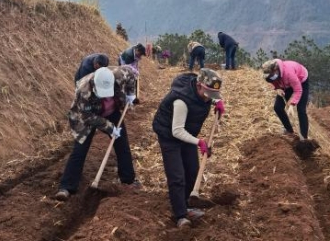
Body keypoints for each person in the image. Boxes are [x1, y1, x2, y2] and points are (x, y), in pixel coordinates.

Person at [152, 68, 225, 228]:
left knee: (192, 171)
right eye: (209, 94)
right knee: (177, 176)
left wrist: (217, 101)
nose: (210, 98)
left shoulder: (204, 93)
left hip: (188, 132)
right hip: (169, 135)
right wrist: (199, 142)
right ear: (199, 86)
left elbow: (209, 95)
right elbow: (177, 131)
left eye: (214, 94)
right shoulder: (181, 101)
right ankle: (180, 215)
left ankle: (187, 204)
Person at [55, 66, 141, 201]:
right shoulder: (83, 90)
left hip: (111, 111)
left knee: (122, 144)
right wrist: (110, 127)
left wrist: (130, 94)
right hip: (87, 116)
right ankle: (67, 187)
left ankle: (128, 179)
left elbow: (131, 77)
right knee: (80, 149)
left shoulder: (120, 74)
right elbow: (87, 116)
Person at [262, 59, 310, 140]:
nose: (270, 77)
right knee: (277, 107)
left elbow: (298, 90)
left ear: (276, 70)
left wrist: (292, 104)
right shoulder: (271, 77)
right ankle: (289, 130)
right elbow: (273, 81)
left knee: (301, 110)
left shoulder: (289, 73)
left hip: (301, 82)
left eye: (271, 75)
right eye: (269, 76)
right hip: (285, 84)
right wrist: (277, 88)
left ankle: (304, 138)